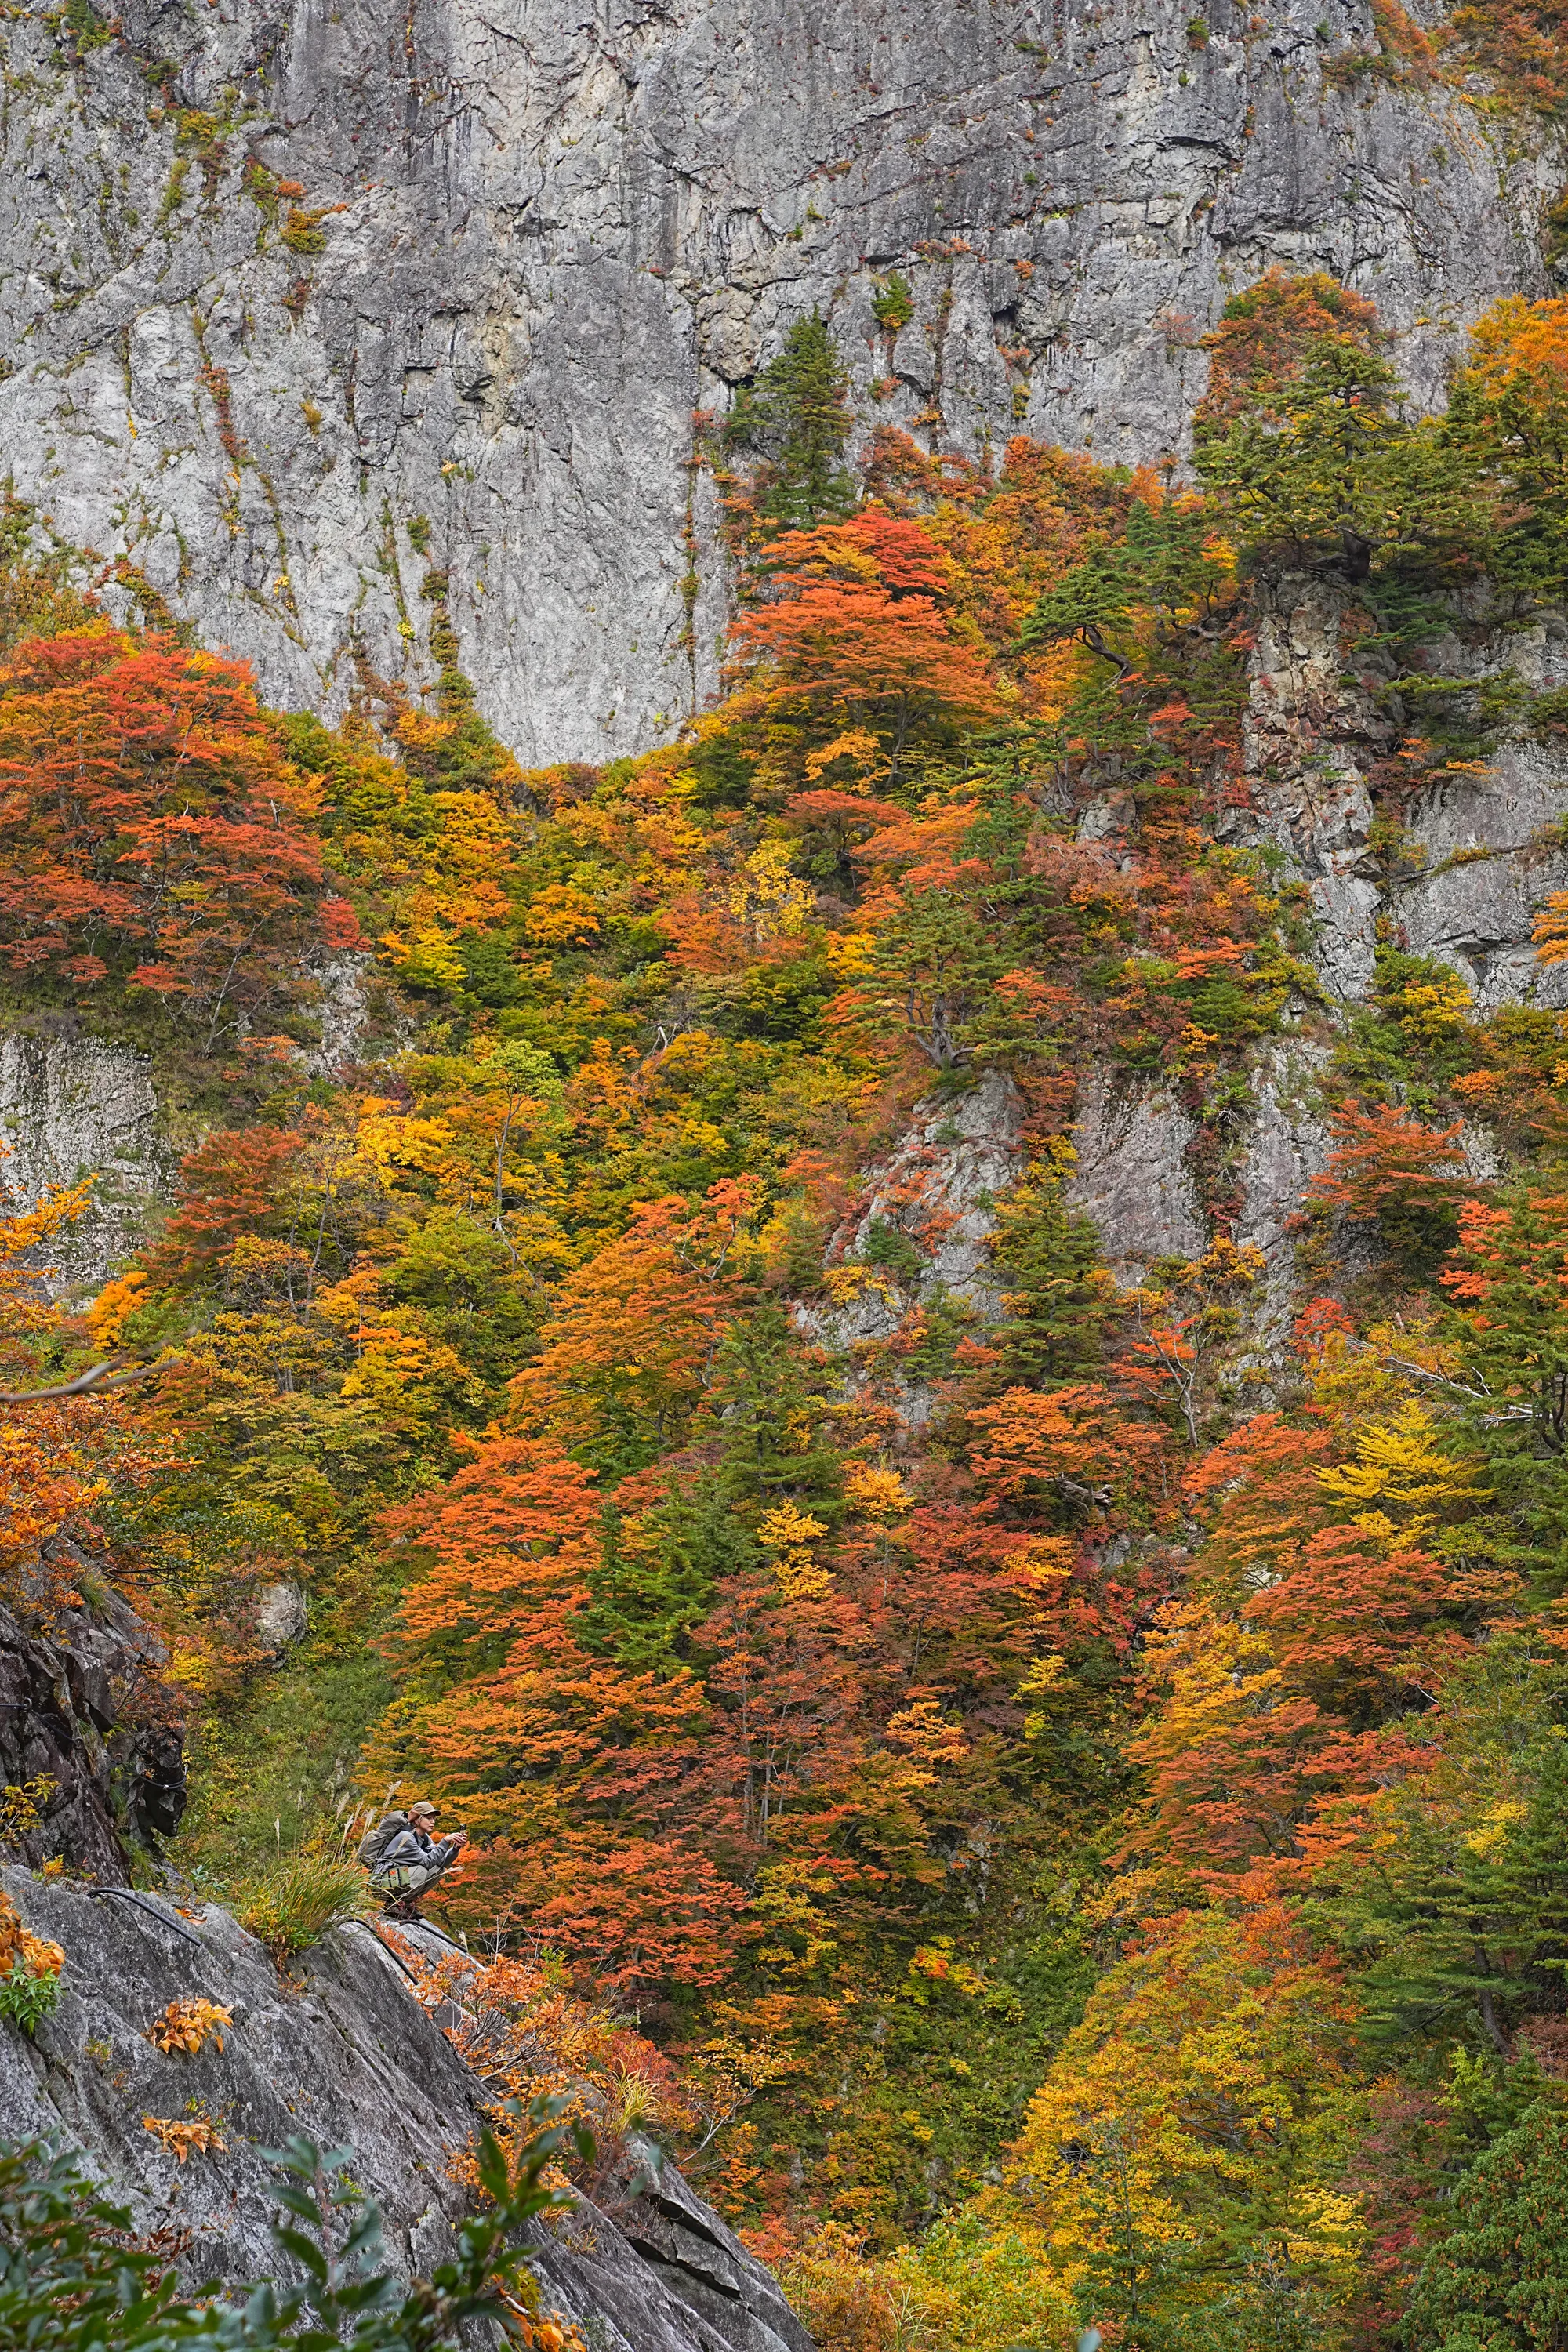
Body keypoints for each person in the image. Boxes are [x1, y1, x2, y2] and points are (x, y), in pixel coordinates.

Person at [362, 1799, 467, 1918]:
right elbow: (427, 1862)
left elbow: (441, 1862)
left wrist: (455, 1849)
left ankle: (406, 1903)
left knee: (439, 1870)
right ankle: (393, 1905)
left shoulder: (424, 1838)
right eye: (428, 1818)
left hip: (395, 1878)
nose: (432, 1822)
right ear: (418, 1818)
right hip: (381, 1882)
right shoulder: (406, 1837)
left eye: (434, 1819)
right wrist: (444, 1841)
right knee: (422, 1870)